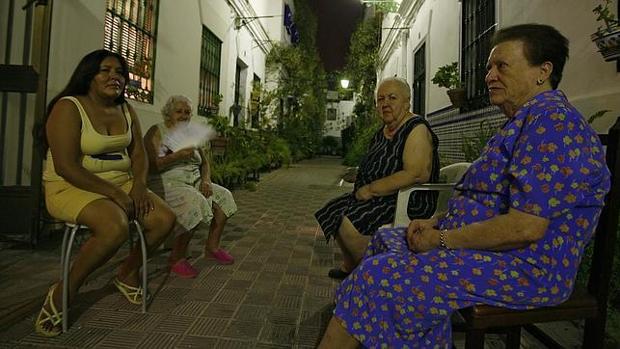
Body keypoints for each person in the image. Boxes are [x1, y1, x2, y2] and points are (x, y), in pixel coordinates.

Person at [319, 24, 611, 348]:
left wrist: (441, 239)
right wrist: (435, 223)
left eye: (502, 66)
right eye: (489, 67)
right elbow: (486, 198)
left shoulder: (552, 123)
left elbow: (525, 228)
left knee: (379, 278)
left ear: (543, 71)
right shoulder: (524, 121)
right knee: (387, 240)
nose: (489, 75)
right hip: (489, 250)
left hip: (525, 267)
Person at [36, 50, 176, 337]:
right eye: (106, 70)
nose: (115, 77)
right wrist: (115, 194)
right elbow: (65, 166)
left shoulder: (125, 109)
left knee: (164, 220)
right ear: (88, 75)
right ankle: (66, 289)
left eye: (120, 72)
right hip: (72, 185)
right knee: (115, 226)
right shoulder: (68, 107)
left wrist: (138, 185)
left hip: (120, 182)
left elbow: (138, 153)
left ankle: (126, 272)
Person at [315, 77, 440, 280]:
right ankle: (351, 265)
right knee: (332, 210)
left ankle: (367, 275)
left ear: (407, 102)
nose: (385, 104)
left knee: (349, 219)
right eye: (381, 99)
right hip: (383, 194)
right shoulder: (383, 131)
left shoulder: (416, 128)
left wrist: (372, 188)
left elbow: (417, 173)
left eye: (392, 98)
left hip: (407, 198)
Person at [144, 95, 237, 278]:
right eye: (179, 112)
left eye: (187, 112)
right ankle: (176, 258)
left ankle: (212, 248)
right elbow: (151, 165)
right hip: (167, 182)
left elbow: (204, 163)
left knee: (224, 197)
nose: (184, 116)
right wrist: (176, 156)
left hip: (194, 180)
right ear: (168, 114)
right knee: (194, 203)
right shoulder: (158, 131)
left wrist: (206, 180)